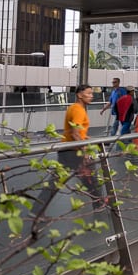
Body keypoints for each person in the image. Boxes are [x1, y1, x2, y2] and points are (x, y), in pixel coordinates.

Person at [33, 85, 102, 217]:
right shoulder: (78, 110)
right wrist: (84, 151)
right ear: (79, 95)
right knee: (92, 180)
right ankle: (100, 206)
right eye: (88, 93)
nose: (91, 96)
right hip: (74, 152)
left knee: (55, 182)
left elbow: (75, 131)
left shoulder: (74, 108)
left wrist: (87, 138)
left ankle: (36, 211)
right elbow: (75, 133)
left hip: (67, 149)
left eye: (92, 93)